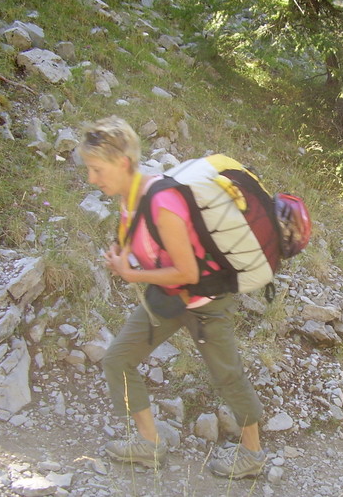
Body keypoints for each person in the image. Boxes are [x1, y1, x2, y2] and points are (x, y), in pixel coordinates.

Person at [79, 116, 266, 479]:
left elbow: (188, 272)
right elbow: (142, 243)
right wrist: (121, 254)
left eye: (96, 169)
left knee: (227, 375)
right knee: (117, 359)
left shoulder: (162, 202)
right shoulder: (128, 198)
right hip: (166, 298)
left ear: (123, 163)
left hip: (205, 303)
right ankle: (150, 445)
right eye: (89, 170)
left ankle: (253, 455)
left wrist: (131, 274)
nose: (92, 179)